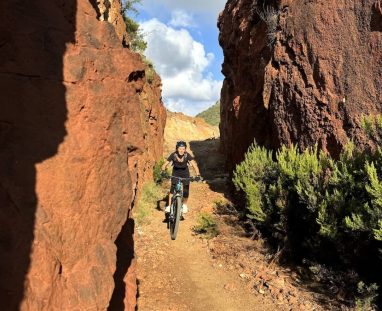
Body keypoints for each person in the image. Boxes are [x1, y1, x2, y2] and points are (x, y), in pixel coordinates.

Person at [161, 141, 201, 216]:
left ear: (185, 149)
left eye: (183, 149)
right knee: (172, 190)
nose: (181, 150)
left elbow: (194, 165)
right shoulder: (173, 155)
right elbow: (165, 164)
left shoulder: (187, 155)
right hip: (175, 173)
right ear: (177, 149)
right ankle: (169, 206)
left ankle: (184, 205)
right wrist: (163, 171)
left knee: (186, 189)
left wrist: (198, 175)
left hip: (185, 173)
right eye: (180, 149)